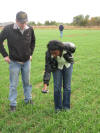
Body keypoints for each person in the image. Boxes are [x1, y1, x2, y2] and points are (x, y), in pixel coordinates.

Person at [0, 11, 35, 112]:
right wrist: (5, 55)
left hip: (27, 61)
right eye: (21, 23)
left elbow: (33, 41)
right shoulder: (8, 29)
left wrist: (31, 54)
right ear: (16, 21)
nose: (23, 25)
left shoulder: (30, 29)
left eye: (25, 22)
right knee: (13, 84)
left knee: (27, 82)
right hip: (14, 62)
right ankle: (13, 104)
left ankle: (28, 99)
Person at [42, 40, 76, 112]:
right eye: (52, 53)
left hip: (67, 65)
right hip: (56, 67)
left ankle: (66, 107)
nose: (53, 55)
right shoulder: (48, 54)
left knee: (67, 86)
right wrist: (45, 84)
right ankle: (58, 108)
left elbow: (72, 52)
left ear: (60, 49)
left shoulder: (68, 47)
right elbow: (47, 69)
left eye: (55, 53)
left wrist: (69, 57)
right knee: (57, 87)